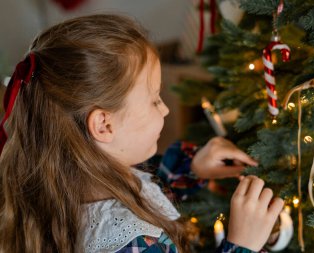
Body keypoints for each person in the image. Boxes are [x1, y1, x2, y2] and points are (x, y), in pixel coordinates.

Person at [0, 14, 284, 253]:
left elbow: (145, 182)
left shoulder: (69, 180)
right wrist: (242, 244)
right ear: (104, 126)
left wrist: (193, 167)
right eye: (154, 99)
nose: (165, 110)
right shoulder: (134, 243)